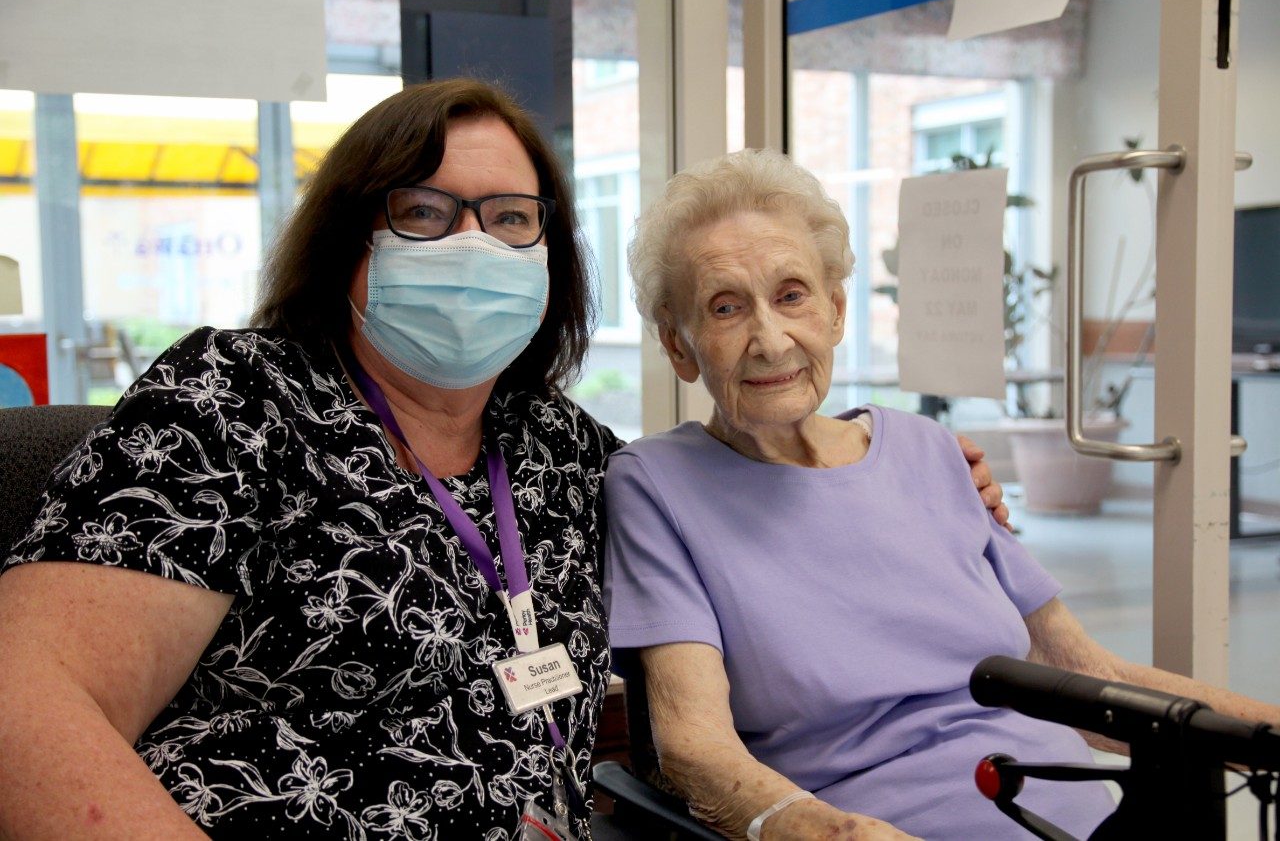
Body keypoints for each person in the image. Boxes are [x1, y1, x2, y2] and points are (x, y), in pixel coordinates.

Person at [0, 81, 1003, 840]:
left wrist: (897, 462)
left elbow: (743, 499)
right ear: (349, 238)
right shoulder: (237, 399)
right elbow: (25, 699)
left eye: (509, 218)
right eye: (424, 212)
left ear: (549, 255)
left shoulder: (559, 449)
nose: (471, 245)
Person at [603, 148, 1280, 840]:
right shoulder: (660, 485)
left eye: (792, 295)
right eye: (725, 307)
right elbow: (694, 744)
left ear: (835, 310)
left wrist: (1267, 733)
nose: (771, 339)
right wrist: (836, 833)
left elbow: (1083, 671)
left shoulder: (929, 450)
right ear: (678, 345)